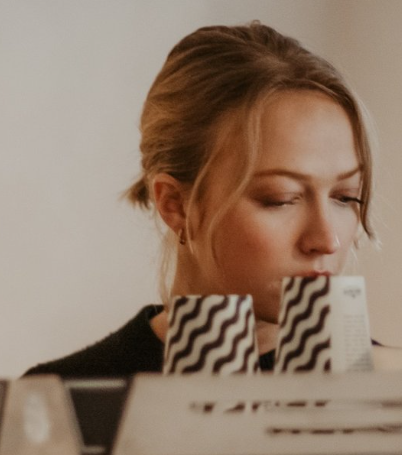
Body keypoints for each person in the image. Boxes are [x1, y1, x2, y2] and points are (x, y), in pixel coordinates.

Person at [26, 22, 376, 376]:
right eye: (280, 199)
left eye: (346, 197)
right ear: (175, 205)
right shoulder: (60, 404)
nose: (327, 240)